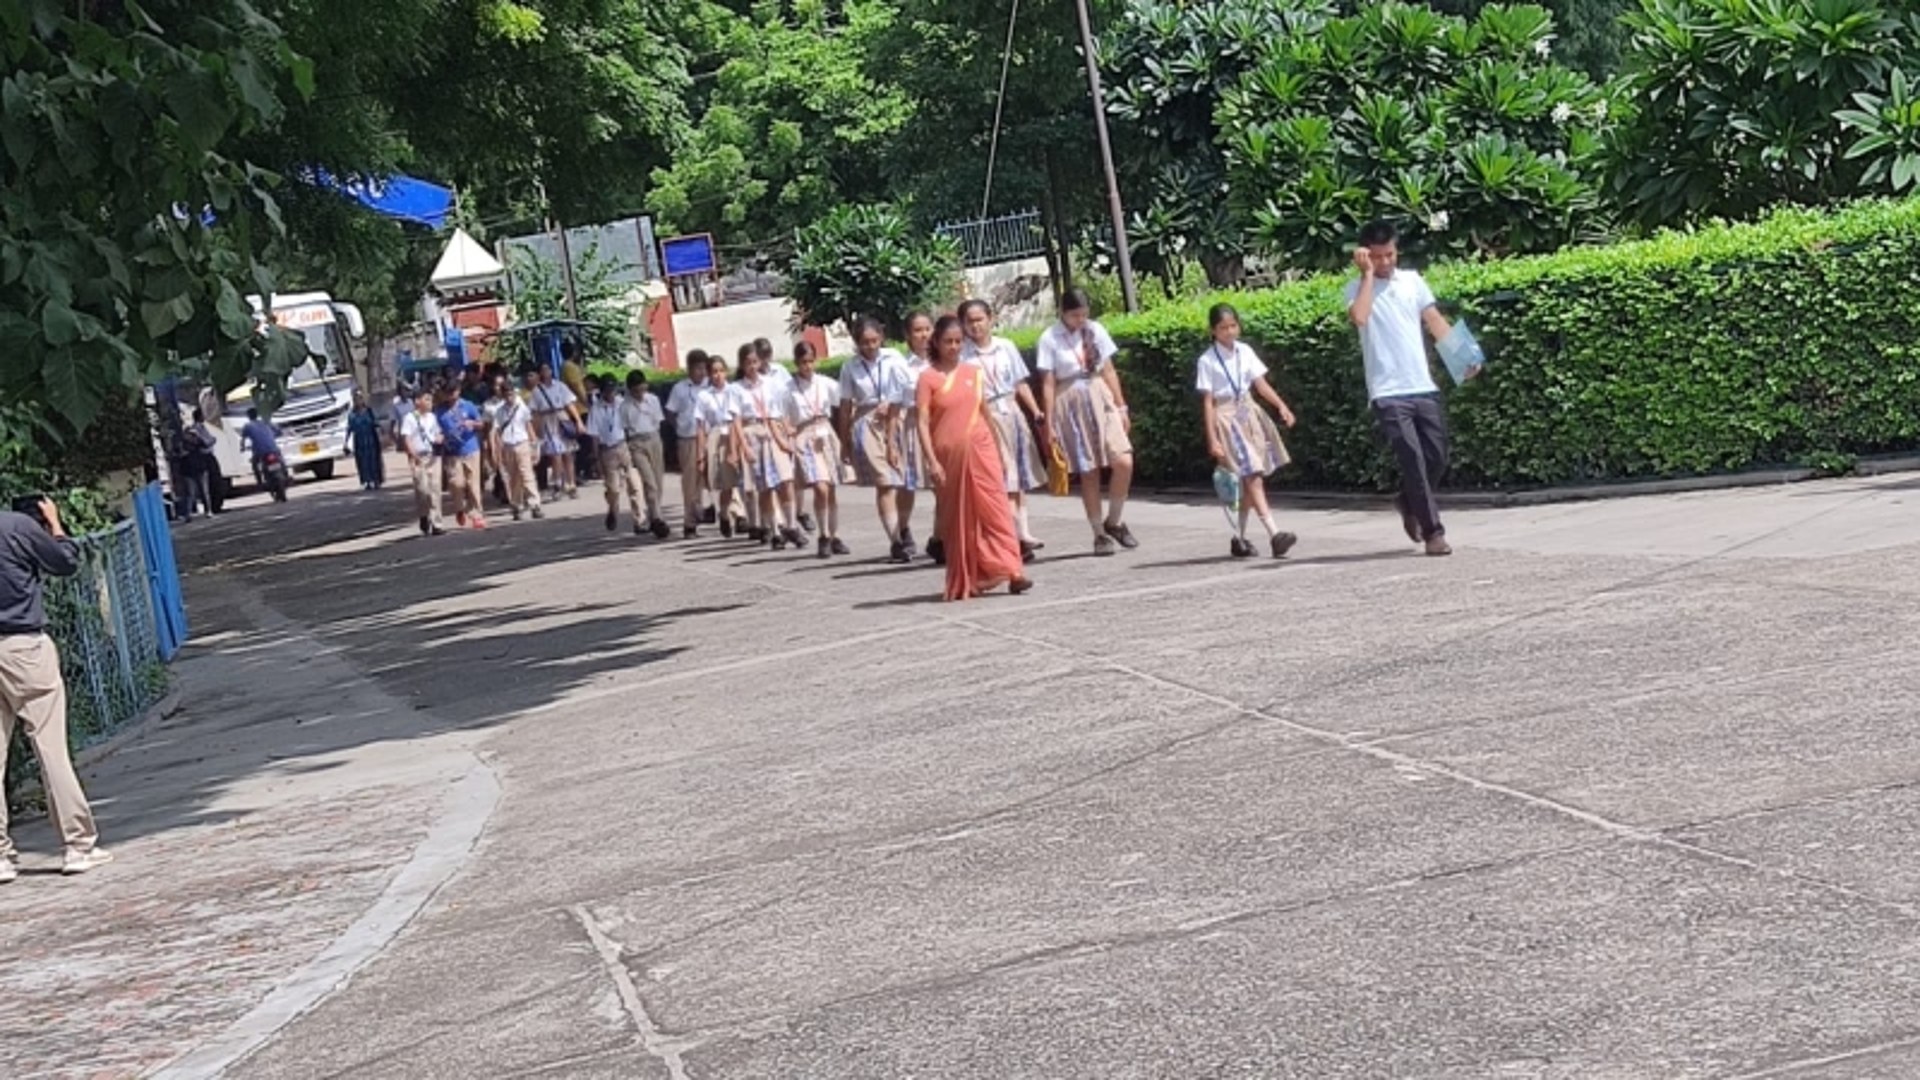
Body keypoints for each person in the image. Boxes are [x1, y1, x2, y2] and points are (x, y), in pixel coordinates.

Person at [0, 498, 112, 881]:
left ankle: (1, 856)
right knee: (50, 749)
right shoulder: (16, 527)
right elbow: (65, 562)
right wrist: (56, 525)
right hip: (23, 646)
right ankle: (78, 845)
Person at [1347, 218, 1471, 557]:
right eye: (1377, 257)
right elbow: (1359, 317)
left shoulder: (1413, 281)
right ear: (1365, 255)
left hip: (1422, 384)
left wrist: (1462, 357)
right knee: (1413, 460)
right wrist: (1367, 275)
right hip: (1387, 392)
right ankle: (1434, 533)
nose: (1385, 262)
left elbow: (1434, 320)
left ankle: (1407, 500)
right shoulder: (1356, 287)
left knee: (1437, 456)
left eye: (1389, 254)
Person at [915, 315, 1033, 602]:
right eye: (948, 342)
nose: (954, 347)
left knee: (997, 511)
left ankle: (1013, 571)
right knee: (963, 519)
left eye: (958, 341)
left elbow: (985, 413)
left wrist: (1000, 451)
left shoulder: (973, 373)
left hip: (982, 449)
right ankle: (973, 575)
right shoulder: (928, 378)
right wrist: (932, 461)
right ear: (936, 343)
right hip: (949, 456)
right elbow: (922, 422)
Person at [1036, 289, 1138, 556]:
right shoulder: (1050, 338)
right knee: (1088, 469)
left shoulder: (1095, 330)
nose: (1080, 320)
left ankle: (1114, 520)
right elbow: (1048, 383)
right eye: (1074, 315)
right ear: (1062, 313)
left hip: (1098, 392)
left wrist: (1121, 406)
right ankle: (1098, 533)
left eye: (1083, 314)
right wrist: (1049, 422)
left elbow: (1108, 370)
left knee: (1123, 460)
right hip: (1070, 399)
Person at [1197, 303, 1300, 558]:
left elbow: (1260, 384)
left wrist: (1281, 406)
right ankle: (1274, 534)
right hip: (1226, 417)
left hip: (1248, 410)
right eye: (1223, 328)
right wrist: (1213, 438)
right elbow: (1208, 402)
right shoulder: (1207, 360)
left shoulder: (1245, 351)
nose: (1229, 332)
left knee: (1250, 478)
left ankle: (1239, 538)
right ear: (1213, 331)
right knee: (1252, 473)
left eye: (1233, 326)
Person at [959, 300, 1047, 561]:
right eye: (970, 321)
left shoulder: (1005, 346)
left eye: (980, 319)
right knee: (1004, 477)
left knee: (1019, 475)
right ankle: (1012, 536)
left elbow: (1020, 382)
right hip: (985, 416)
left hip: (1012, 412)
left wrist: (1035, 411)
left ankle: (1023, 531)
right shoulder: (962, 355)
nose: (976, 326)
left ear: (991, 319)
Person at [837, 319, 913, 562]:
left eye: (874, 341)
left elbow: (909, 387)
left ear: (881, 338)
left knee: (904, 481)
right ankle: (895, 541)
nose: (870, 347)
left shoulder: (894, 358)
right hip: (867, 422)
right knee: (884, 482)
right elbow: (845, 405)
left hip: (895, 417)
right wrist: (844, 441)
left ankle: (903, 526)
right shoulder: (850, 367)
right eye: (864, 342)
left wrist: (891, 402)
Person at [729, 346, 804, 549]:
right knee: (764, 487)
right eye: (748, 363)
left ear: (760, 362)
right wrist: (744, 447)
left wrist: (786, 432)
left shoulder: (770, 383)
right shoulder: (736, 389)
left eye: (755, 362)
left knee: (785, 479)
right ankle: (774, 530)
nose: (752, 367)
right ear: (742, 365)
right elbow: (736, 421)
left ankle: (791, 525)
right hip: (752, 431)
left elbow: (780, 409)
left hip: (772, 429)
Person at [785, 341, 849, 558]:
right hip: (805, 435)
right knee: (820, 486)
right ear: (796, 363)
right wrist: (788, 433)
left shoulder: (825, 383)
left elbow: (845, 401)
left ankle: (834, 535)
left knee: (830, 488)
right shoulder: (789, 388)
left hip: (825, 432)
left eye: (811, 361)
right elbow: (782, 415)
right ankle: (823, 534)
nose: (808, 366)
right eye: (803, 362)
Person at [891, 313, 936, 562]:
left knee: (942, 484)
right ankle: (903, 530)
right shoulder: (901, 366)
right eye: (918, 330)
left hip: (941, 423)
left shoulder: (943, 361)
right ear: (908, 335)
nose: (924, 335)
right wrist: (891, 442)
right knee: (908, 484)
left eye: (927, 328)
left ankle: (941, 535)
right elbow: (895, 405)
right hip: (913, 425)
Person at [588, 378, 652, 536]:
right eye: (607, 391)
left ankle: (639, 520)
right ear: (602, 392)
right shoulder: (596, 409)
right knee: (614, 489)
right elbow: (594, 435)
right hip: (607, 450)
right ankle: (613, 509)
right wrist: (596, 458)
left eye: (612, 390)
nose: (610, 394)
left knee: (635, 485)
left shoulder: (622, 404)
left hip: (624, 446)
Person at [666, 349, 715, 538]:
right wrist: (680, 426)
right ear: (689, 369)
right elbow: (670, 412)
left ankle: (727, 514)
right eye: (697, 368)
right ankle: (690, 522)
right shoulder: (679, 389)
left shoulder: (710, 386)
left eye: (704, 368)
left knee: (715, 476)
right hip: (688, 438)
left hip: (709, 436)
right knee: (691, 481)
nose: (701, 372)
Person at [695, 354, 745, 537]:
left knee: (733, 481)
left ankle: (734, 513)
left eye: (721, 371)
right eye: (714, 372)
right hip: (716, 434)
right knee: (722, 481)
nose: (718, 375)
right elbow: (700, 426)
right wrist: (700, 454)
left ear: (726, 372)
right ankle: (724, 514)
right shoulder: (704, 396)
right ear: (709, 374)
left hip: (733, 432)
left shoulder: (735, 390)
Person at [622, 371, 672, 538]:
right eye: (635, 391)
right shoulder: (625, 406)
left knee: (658, 480)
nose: (639, 393)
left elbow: (658, 422)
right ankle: (657, 518)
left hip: (654, 439)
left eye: (641, 389)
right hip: (636, 443)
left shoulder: (653, 400)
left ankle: (655, 514)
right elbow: (624, 430)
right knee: (649, 482)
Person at [489, 374, 543, 521]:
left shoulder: (521, 407)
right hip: (508, 445)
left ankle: (534, 504)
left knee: (527, 475)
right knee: (514, 478)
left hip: (522, 443)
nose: (509, 397)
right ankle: (517, 505)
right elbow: (497, 432)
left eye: (511, 394)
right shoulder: (499, 411)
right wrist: (497, 450)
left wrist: (534, 445)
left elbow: (528, 426)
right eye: (507, 394)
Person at [436, 386, 488, 529]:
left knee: (473, 483)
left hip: (471, 449)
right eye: (447, 392)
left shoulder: (468, 405)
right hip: (452, 452)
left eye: (453, 392)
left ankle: (477, 514)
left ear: (458, 391)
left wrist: (473, 423)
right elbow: (436, 429)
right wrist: (439, 437)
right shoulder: (440, 411)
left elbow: (481, 424)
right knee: (456, 483)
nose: (450, 395)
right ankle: (459, 508)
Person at [530, 364, 582, 499]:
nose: (546, 372)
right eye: (543, 370)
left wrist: (578, 421)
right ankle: (558, 484)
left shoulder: (560, 386)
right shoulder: (536, 391)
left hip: (562, 418)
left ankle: (571, 484)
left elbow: (569, 404)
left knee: (568, 454)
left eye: (548, 369)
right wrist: (535, 431)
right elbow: (535, 413)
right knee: (555, 455)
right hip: (547, 421)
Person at [399, 389, 446, 535]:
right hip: (418, 458)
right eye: (427, 399)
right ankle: (424, 515)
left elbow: (438, 432)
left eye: (431, 400)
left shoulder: (432, 417)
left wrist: (440, 438)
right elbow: (406, 438)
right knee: (422, 490)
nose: (430, 403)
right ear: (417, 401)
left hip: (433, 456)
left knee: (435, 489)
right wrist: (413, 455)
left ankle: (437, 523)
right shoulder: (409, 418)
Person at [346, 390, 385, 491]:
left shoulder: (369, 411)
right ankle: (366, 481)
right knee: (362, 462)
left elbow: (375, 422)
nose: (359, 400)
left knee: (373, 460)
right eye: (357, 398)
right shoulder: (352, 414)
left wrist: (381, 428)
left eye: (360, 398)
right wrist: (346, 443)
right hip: (360, 441)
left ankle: (376, 480)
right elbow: (349, 428)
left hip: (371, 439)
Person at [238, 407, 282, 488]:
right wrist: (274, 436)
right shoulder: (266, 422)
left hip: (259, 451)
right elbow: (279, 431)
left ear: (249, 416)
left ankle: (260, 482)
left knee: (255, 464)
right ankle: (285, 474)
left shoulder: (247, 426)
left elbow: (243, 439)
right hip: (273, 448)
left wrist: (242, 448)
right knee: (280, 458)